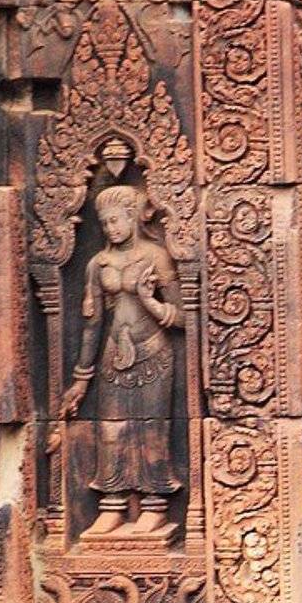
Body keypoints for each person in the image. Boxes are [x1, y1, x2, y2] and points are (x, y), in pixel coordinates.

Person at [60, 175, 183, 537]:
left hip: (154, 353)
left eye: (116, 219)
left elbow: (185, 316)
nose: (111, 228)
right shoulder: (97, 265)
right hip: (114, 357)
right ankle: (112, 504)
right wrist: (81, 379)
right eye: (105, 222)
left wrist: (151, 302)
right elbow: (92, 324)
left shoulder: (156, 256)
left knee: (151, 428)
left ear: (133, 217)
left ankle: (154, 504)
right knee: (111, 431)